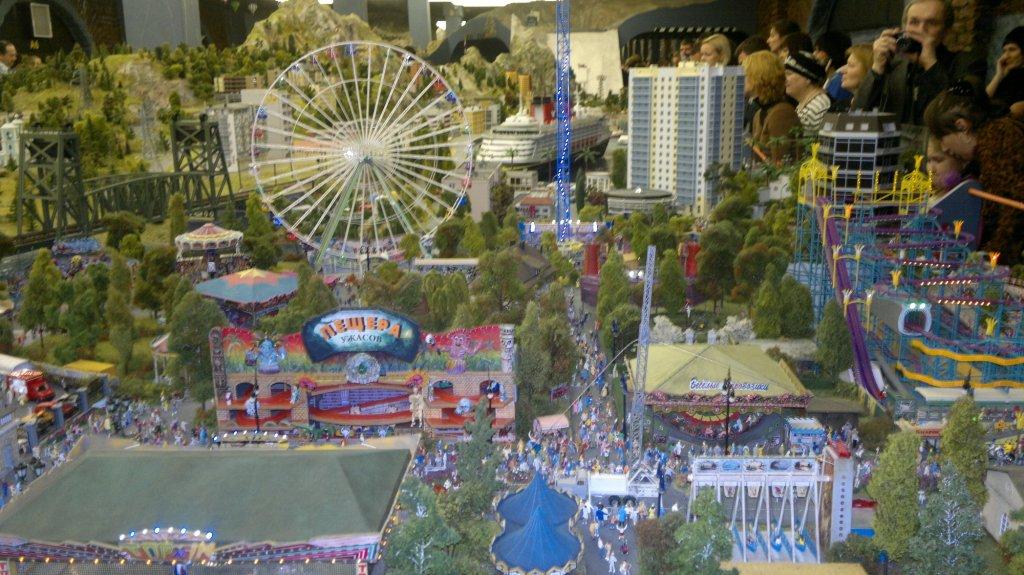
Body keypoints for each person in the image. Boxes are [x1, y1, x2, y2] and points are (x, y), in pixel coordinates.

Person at [924, 82, 1024, 265]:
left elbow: (1013, 218)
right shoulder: (994, 140)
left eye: (943, 138)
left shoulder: (997, 145)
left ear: (962, 127)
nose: (944, 148)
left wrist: (988, 258)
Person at [852, 0, 986, 127]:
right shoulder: (893, 65)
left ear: (946, 31)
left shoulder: (967, 62)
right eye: (914, 22)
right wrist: (876, 68)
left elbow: (962, 111)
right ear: (904, 27)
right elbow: (857, 114)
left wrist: (930, 64)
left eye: (932, 23)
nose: (921, 29)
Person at [744, 51, 800, 163]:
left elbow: (779, 163)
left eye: (745, 75)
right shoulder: (760, 113)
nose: (740, 79)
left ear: (758, 78)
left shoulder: (781, 114)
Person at [786, 51, 831, 133]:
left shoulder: (817, 106)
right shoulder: (810, 103)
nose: (784, 79)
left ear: (807, 78)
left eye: (789, 74)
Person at [986, 26, 1024, 118]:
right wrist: (998, 76)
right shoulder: (1010, 75)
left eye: (1012, 49)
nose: (1006, 56)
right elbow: (981, 103)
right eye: (1004, 51)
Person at [814, 31, 853, 108]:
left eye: (818, 50)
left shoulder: (839, 80)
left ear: (830, 52)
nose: (814, 54)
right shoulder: (833, 78)